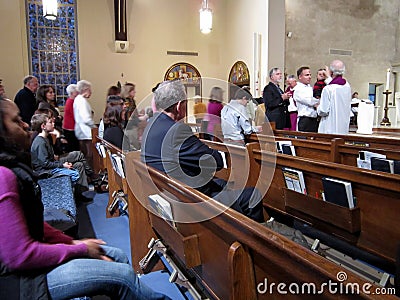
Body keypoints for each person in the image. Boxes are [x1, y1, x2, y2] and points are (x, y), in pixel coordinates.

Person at [0, 97, 171, 299]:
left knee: (117, 255)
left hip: (32, 269)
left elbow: (34, 223)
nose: (25, 124)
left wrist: (71, 243)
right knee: (123, 276)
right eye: (16, 120)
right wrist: (79, 249)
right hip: (22, 283)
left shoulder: (14, 167)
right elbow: (20, 256)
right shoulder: (3, 176)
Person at [141, 80, 264, 223]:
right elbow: (215, 161)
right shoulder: (177, 130)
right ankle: (251, 241)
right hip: (191, 201)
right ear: (180, 106)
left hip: (170, 191)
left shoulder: (151, 124)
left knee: (225, 183)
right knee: (252, 195)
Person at [30, 113, 93, 201]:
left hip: (52, 166)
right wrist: (62, 165)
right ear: (43, 126)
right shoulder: (40, 142)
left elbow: (52, 156)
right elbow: (45, 164)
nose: (53, 124)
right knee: (76, 166)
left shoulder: (46, 138)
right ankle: (93, 176)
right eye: (50, 122)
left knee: (79, 165)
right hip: (45, 172)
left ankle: (79, 194)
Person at [317, 60, 352, 134]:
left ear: (331, 72)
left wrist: (317, 107)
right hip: (343, 128)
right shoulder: (347, 86)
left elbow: (323, 111)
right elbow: (335, 83)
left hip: (329, 128)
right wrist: (329, 77)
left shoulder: (328, 89)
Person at [73, 80, 96, 170]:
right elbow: (86, 118)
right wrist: (95, 127)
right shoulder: (81, 101)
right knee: (89, 155)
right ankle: (91, 173)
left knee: (87, 154)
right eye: (90, 90)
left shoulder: (78, 100)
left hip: (82, 131)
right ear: (85, 89)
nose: (91, 92)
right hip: (86, 132)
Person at [293, 66, 320, 132]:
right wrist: (318, 102)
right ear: (300, 77)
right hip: (305, 120)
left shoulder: (310, 88)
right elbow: (310, 101)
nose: (309, 77)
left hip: (314, 119)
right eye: (307, 75)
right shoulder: (298, 89)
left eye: (310, 75)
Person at [62, 84, 80, 151]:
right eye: (77, 92)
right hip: (70, 129)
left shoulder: (71, 101)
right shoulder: (71, 102)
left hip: (71, 128)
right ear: (72, 93)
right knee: (73, 147)